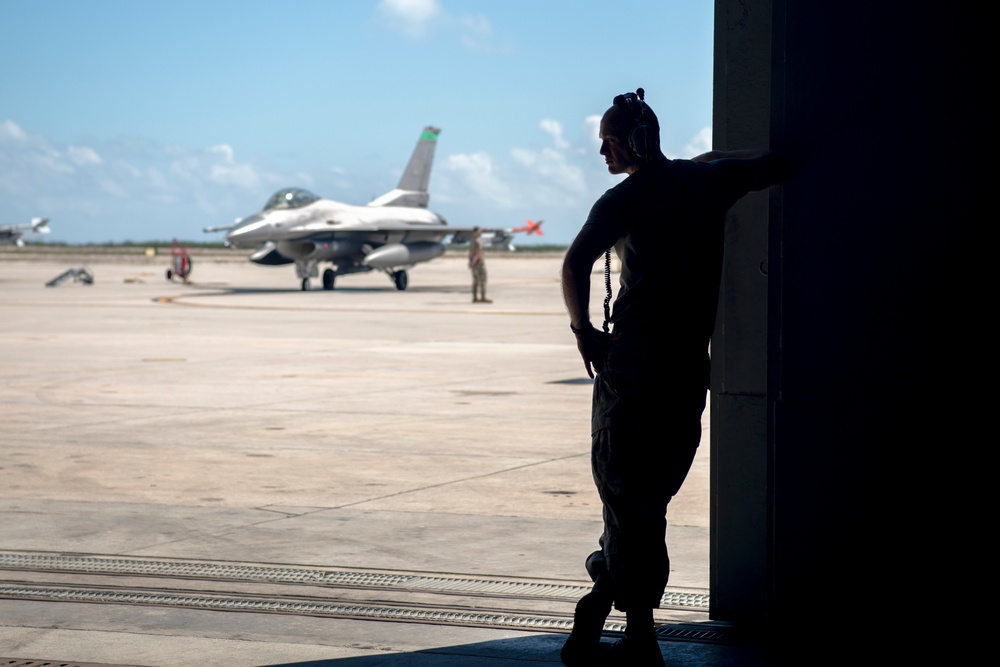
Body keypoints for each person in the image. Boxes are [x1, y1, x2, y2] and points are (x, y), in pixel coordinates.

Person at [559, 89, 789, 666]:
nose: (602, 151)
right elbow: (773, 163)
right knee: (649, 497)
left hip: (632, 367)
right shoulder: (708, 183)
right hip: (687, 366)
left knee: (626, 496)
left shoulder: (623, 198)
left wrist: (583, 330)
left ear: (632, 142)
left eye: (609, 141)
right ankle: (630, 623)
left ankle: (611, 602)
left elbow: (574, 262)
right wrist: (706, 163)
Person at [469, 226, 491, 303]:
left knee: (475, 281)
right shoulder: (478, 241)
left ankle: (475, 297)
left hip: (473, 264)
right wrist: (474, 262)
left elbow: (471, 253)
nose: (481, 233)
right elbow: (478, 253)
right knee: (483, 280)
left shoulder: (472, 241)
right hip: (479, 264)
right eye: (479, 231)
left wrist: (471, 263)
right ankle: (483, 297)